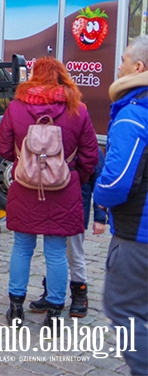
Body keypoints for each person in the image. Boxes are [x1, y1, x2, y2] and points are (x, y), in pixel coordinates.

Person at [0, 57, 99, 327]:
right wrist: (73, 177)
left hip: (25, 188)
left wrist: (24, 163)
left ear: (33, 76)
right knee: (55, 252)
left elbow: (3, 147)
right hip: (63, 189)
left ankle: (16, 308)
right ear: (61, 77)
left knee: (22, 246)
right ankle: (54, 312)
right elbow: (90, 156)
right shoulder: (78, 109)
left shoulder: (16, 108)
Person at [94, 36, 148, 376]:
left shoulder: (133, 116)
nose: (119, 65)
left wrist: (98, 198)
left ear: (138, 68)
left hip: (136, 237)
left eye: (124, 59)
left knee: (123, 308)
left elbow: (115, 183)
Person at [28, 160, 108, 318]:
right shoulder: (56, 143)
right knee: (53, 256)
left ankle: (79, 292)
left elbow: (99, 184)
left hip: (76, 213)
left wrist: (100, 217)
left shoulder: (91, 150)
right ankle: (52, 292)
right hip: (53, 211)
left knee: (74, 254)